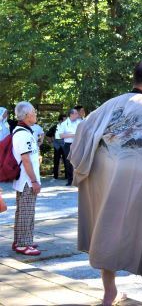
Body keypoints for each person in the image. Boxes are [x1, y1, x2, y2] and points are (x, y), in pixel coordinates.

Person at [68, 59, 142, 306]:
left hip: (103, 175)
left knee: (105, 228)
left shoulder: (109, 104)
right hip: (140, 178)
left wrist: (95, 161)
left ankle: (109, 292)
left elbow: (83, 130)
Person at [11, 102, 42, 256]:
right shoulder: (23, 133)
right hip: (26, 181)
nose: (35, 114)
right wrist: (34, 181)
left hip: (25, 180)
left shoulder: (24, 131)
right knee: (26, 212)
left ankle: (23, 240)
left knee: (24, 211)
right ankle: (23, 243)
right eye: (34, 112)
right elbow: (26, 160)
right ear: (26, 115)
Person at [57, 108, 82, 186]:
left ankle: (79, 179)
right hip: (68, 144)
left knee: (78, 161)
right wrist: (73, 135)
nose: (78, 115)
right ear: (71, 114)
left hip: (78, 144)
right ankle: (70, 180)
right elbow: (61, 135)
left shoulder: (80, 122)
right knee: (68, 162)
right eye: (76, 114)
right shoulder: (64, 124)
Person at [46, 114, 68, 179]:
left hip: (65, 146)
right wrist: (51, 142)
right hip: (57, 147)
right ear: (60, 120)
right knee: (56, 161)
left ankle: (67, 176)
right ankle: (55, 176)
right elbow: (48, 135)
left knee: (66, 161)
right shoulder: (55, 127)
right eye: (65, 120)